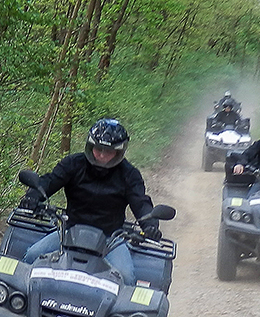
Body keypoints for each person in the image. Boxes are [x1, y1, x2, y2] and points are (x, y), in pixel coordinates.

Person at [18, 118, 160, 283]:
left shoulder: (130, 175)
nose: (101, 155)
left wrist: (150, 225)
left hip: (110, 239)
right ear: (90, 146)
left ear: (119, 152)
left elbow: (141, 203)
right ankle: (18, 302)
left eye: (108, 151)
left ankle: (120, 310)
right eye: (98, 149)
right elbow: (49, 182)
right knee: (33, 255)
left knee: (126, 276)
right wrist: (32, 197)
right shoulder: (73, 164)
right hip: (69, 232)